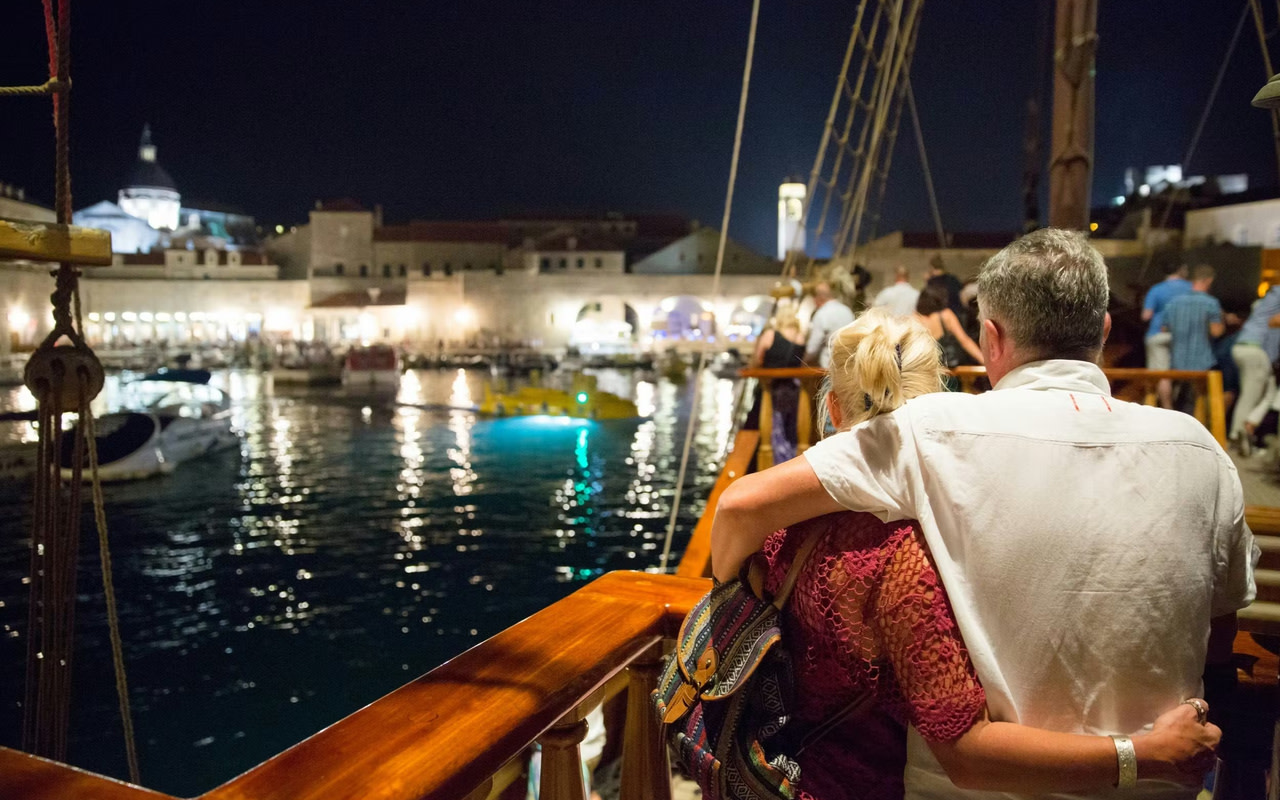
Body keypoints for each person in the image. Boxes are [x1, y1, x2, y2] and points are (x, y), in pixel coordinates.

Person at [712, 228, 1257, 799]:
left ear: (991, 338)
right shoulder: (1199, 449)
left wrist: (732, 603)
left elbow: (743, 505)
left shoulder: (932, 433)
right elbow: (1218, 637)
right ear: (1103, 332)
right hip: (1163, 786)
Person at [1161, 264, 1224, 413]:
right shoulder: (1211, 303)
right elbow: (1217, 332)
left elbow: (1164, 328)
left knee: (1180, 402)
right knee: (1198, 405)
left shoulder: (1173, 302)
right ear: (1208, 281)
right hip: (1202, 362)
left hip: (1177, 361)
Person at [751, 304, 806, 462]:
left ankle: (773, 461)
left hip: (771, 388)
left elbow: (757, 359)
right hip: (793, 389)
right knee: (790, 428)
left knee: (773, 427)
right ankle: (789, 459)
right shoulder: (800, 337)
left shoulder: (770, 335)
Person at [1230, 285, 1280, 452]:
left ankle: (1248, 425)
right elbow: (1274, 322)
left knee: (1269, 392)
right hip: (1255, 349)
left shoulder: (1272, 296)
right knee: (1251, 396)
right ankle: (1238, 436)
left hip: (1246, 346)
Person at [1143, 263, 1192, 409]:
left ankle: (1167, 408)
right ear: (1181, 269)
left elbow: (1146, 315)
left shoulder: (1156, 289)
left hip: (1157, 334)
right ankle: (1181, 407)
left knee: (1162, 375)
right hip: (1182, 335)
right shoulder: (1191, 287)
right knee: (1181, 373)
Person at [914, 284, 983, 371]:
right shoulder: (945, 315)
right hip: (947, 371)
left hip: (924, 371)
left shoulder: (915, 318)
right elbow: (965, 341)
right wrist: (983, 360)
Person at [805, 280, 855, 367]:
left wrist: (804, 361)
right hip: (847, 364)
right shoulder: (847, 311)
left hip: (828, 366)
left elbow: (813, 348)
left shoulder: (821, 314)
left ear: (819, 297)